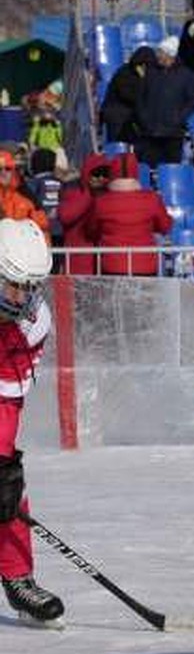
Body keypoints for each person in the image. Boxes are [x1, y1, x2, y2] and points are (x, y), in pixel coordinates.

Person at [0, 219, 62, 627]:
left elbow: (6, 397)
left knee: (7, 490)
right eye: (14, 285)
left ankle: (17, 576)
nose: (23, 297)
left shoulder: (32, 321)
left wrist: (3, 465)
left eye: (30, 286)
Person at [86, 152, 172, 276]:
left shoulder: (101, 202)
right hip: (145, 266)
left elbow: (91, 231)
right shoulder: (152, 199)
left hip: (112, 265)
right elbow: (165, 226)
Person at [135, 36, 194, 168]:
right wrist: (143, 118)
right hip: (149, 132)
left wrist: (178, 118)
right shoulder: (151, 72)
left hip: (173, 134)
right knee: (149, 169)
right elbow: (140, 97)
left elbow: (192, 101)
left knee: (171, 169)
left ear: (170, 55)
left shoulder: (186, 75)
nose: (157, 55)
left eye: (160, 52)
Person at [57, 152, 111, 275]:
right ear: (87, 173)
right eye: (96, 174)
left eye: (105, 174)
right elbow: (65, 217)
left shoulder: (110, 196)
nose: (101, 178)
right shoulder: (73, 193)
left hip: (104, 262)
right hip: (79, 261)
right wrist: (89, 197)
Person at [100, 46, 155, 144]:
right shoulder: (125, 73)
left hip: (129, 116)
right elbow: (127, 95)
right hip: (116, 115)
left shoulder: (143, 77)